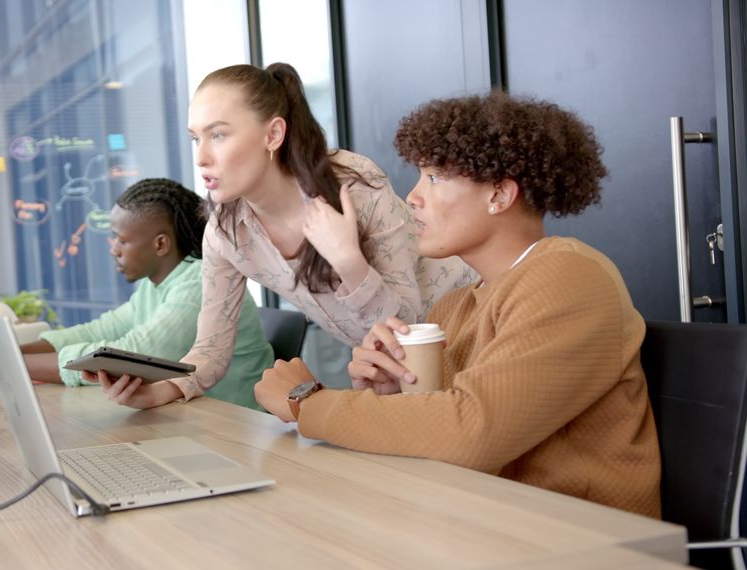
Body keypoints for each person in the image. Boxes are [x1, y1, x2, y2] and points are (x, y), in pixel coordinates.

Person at [253, 92, 661, 517]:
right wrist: (394, 392)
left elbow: (470, 433)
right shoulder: (455, 307)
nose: (413, 196)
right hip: (482, 523)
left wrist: (307, 401)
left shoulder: (569, 277)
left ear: (499, 195)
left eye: (435, 177)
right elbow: (443, 440)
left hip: (580, 541)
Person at [93, 63, 475, 410]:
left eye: (219, 135)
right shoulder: (226, 233)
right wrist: (161, 390)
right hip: (395, 375)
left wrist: (349, 263)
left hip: (470, 331)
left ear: (273, 134)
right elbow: (210, 348)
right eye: (196, 138)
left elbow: (407, 325)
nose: (201, 158)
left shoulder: (353, 185)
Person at [0, 177, 273, 411]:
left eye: (121, 239)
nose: (113, 249)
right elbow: (100, 331)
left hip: (236, 427)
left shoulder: (199, 283)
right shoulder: (155, 287)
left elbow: (130, 354)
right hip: (193, 419)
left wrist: (0, 362)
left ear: (160, 244)